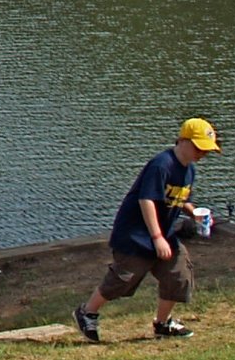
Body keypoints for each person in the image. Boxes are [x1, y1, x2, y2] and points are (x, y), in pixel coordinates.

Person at [74, 117, 220, 343]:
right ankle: (87, 312)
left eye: (207, 151)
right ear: (183, 141)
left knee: (179, 275)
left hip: (165, 234)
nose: (202, 154)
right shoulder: (162, 165)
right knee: (123, 279)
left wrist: (193, 212)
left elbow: (179, 198)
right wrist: (157, 237)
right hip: (136, 235)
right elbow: (147, 200)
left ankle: (163, 324)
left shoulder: (189, 170)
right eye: (199, 147)